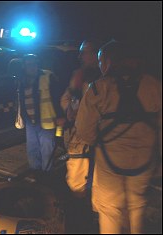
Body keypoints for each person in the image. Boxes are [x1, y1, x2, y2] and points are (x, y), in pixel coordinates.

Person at [74, 40, 161, 233]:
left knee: (110, 209)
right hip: (143, 161)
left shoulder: (98, 88)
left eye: (101, 61)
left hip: (109, 161)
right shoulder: (155, 86)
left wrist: (98, 142)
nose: (99, 65)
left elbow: (84, 130)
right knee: (137, 206)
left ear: (108, 61)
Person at [61, 39, 102, 197]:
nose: (80, 56)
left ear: (96, 54)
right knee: (77, 181)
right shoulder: (78, 77)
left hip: (97, 136)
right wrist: (69, 109)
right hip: (78, 134)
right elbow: (65, 98)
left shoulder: (105, 80)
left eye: (84, 52)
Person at [16, 54, 65, 176]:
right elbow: (20, 100)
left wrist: (60, 115)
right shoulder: (22, 80)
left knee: (47, 149)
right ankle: (35, 172)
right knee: (32, 149)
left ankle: (46, 175)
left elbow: (58, 97)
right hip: (30, 121)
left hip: (47, 121)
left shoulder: (48, 76)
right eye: (29, 64)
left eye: (34, 64)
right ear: (24, 67)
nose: (32, 67)